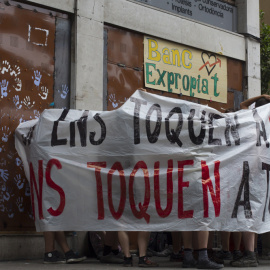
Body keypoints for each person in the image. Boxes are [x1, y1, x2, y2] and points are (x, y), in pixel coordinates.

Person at [230, 94, 270, 267]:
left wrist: (261, 96)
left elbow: (242, 105)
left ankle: (250, 254)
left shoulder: (251, 119)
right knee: (260, 213)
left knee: (248, 211)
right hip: (265, 173)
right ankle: (253, 254)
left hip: (252, 172)